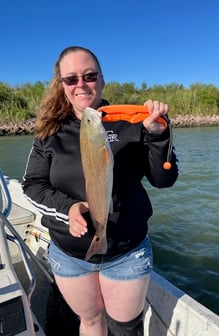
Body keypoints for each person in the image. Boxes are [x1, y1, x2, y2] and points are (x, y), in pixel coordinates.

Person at [22, 46, 179, 336]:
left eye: (89, 75)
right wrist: (67, 208)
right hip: (70, 255)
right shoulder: (48, 131)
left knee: (125, 328)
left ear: (102, 80)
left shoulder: (132, 122)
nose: (81, 84)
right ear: (63, 86)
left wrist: (158, 136)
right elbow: (32, 185)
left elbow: (163, 180)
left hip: (126, 252)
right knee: (91, 321)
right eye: (71, 79)